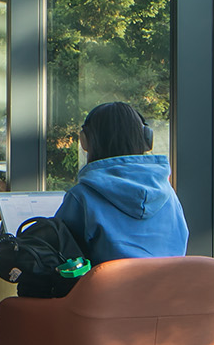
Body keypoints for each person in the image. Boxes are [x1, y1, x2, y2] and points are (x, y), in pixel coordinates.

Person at [51, 102, 189, 263]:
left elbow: (57, 255)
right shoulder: (168, 195)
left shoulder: (81, 197)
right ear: (147, 139)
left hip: (105, 281)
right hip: (170, 280)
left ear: (84, 141)